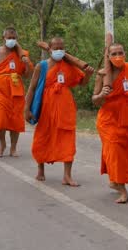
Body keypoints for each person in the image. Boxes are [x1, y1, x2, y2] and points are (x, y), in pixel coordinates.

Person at [24, 37, 94, 186]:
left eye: (61, 48)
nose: (59, 51)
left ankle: (67, 176)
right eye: (56, 48)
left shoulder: (69, 66)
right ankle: (40, 169)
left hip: (65, 109)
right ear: (49, 49)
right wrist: (27, 109)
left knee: (67, 140)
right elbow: (32, 88)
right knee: (43, 138)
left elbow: (82, 83)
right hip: (46, 109)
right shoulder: (41, 66)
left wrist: (87, 74)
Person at [92, 43, 128, 204]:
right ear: (108, 57)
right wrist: (101, 95)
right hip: (108, 121)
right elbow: (95, 100)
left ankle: (115, 180)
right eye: (114, 54)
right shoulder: (103, 75)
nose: (118, 56)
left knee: (124, 154)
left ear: (125, 53)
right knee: (114, 151)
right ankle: (122, 189)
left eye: (120, 53)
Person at [0, 27, 33, 157]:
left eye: (13, 38)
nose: (11, 40)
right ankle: (2, 143)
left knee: (16, 120)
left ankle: (13, 147)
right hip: (0, 90)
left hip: (16, 90)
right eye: (9, 38)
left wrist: (27, 63)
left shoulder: (22, 54)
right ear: (3, 38)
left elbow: (27, 75)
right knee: (0, 121)